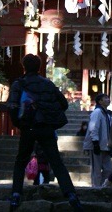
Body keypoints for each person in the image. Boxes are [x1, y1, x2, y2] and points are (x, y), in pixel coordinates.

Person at [6, 54, 83, 211]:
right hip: (46, 127)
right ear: (40, 67)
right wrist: (50, 114)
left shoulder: (19, 83)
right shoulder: (47, 84)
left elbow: (12, 106)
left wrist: (19, 123)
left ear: (24, 66)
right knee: (56, 162)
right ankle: (70, 194)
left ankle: (15, 194)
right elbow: (63, 103)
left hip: (28, 127)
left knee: (21, 161)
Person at [83, 93, 112, 187]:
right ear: (100, 101)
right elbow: (93, 128)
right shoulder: (97, 112)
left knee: (108, 170)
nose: (108, 99)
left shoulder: (107, 114)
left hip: (105, 146)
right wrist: (95, 143)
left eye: (108, 98)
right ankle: (96, 188)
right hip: (97, 145)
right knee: (97, 170)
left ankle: (103, 187)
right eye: (106, 98)